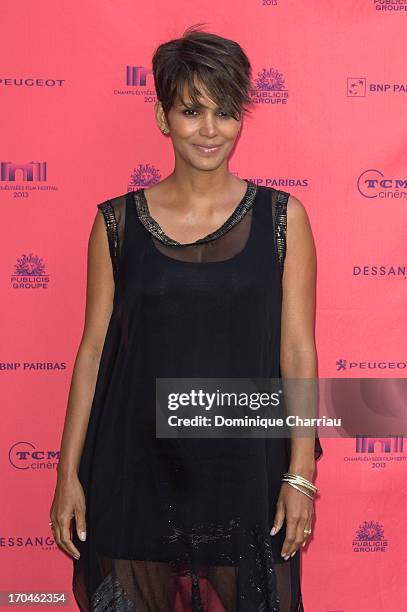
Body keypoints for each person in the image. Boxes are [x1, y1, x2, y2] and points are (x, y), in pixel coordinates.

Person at [50, 25, 323, 611]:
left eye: (225, 112)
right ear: (161, 115)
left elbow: (298, 352)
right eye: (191, 110)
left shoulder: (284, 218)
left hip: (244, 469)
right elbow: (93, 353)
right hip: (132, 468)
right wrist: (66, 473)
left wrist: (300, 473)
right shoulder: (115, 224)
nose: (208, 129)